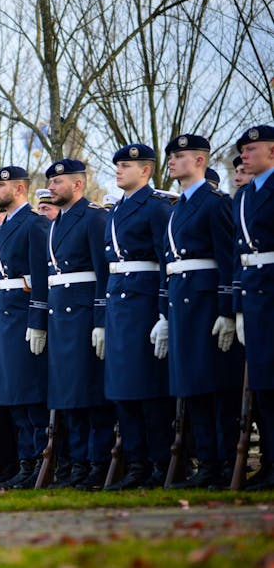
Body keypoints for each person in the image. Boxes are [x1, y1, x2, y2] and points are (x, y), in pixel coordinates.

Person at [158, 134, 242, 489]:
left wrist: (226, 308)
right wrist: (164, 313)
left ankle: (222, 463)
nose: (173, 162)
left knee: (215, 387)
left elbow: (228, 259)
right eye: (171, 157)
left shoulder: (213, 203)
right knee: (192, 387)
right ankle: (207, 462)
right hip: (182, 304)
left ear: (199, 161)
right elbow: (169, 263)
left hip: (206, 305)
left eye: (179, 156)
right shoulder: (177, 207)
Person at [102, 145, 174, 489]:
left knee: (148, 389)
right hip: (119, 304)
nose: (118, 170)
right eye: (117, 165)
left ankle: (159, 463)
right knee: (122, 390)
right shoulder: (117, 209)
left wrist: (164, 312)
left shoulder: (156, 207)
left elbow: (166, 262)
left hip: (143, 303)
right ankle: (136, 463)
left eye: (126, 165)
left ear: (145, 171)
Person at [42, 160, 113, 490]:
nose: (52, 187)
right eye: (51, 182)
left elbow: (104, 273)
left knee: (90, 394)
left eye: (58, 182)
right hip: (61, 317)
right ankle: (77, 464)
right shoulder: (57, 223)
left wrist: (100, 318)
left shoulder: (94, 217)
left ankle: (97, 463)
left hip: (84, 315)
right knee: (68, 395)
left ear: (78, 185)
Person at [0, 167, 51, 489]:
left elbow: (41, 276)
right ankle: (25, 462)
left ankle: (40, 460)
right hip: (6, 317)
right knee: (14, 396)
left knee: (30, 394)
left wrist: (38, 320)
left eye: (1, 185)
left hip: (23, 316)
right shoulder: (7, 225)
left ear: (21, 188)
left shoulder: (34, 224)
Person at [232, 124, 274, 490]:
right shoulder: (243, 197)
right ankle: (270, 462)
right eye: (242, 150)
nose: (244, 154)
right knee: (264, 384)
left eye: (252, 148)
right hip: (255, 294)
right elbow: (237, 255)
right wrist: (237, 307)